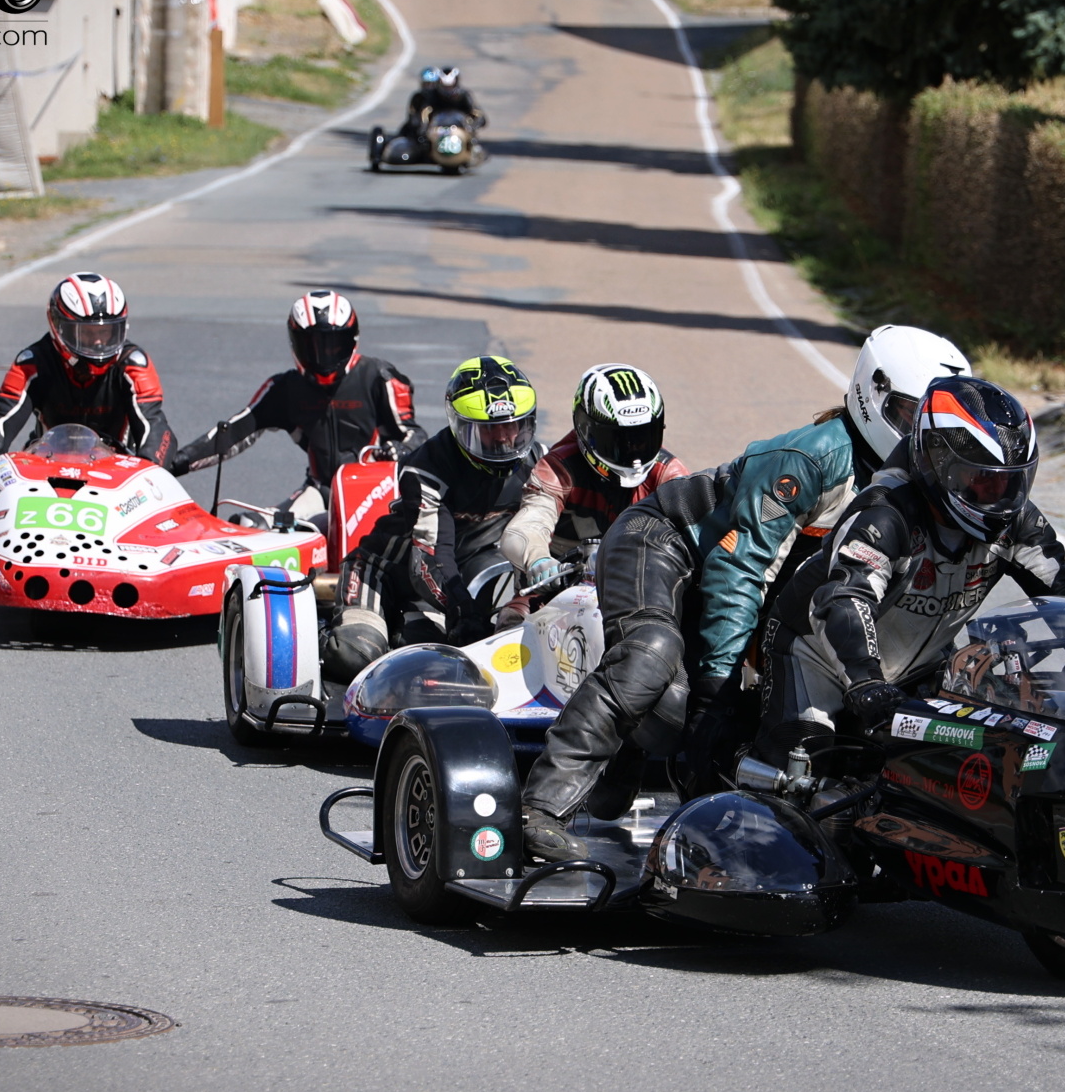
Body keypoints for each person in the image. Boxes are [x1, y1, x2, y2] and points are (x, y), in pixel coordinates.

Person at [518, 326, 969, 859]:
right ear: (874, 395)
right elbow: (739, 567)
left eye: (940, 429)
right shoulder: (813, 459)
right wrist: (716, 690)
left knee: (754, 718)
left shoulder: (928, 488)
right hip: (665, 542)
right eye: (912, 415)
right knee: (655, 657)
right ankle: (540, 807)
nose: (924, 438)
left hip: (754, 585)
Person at [757, 376, 1065, 738]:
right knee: (803, 754)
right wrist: (866, 681)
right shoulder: (885, 513)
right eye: (982, 478)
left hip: (916, 669)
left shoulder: (1016, 520)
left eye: (1009, 481)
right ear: (938, 462)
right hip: (814, 657)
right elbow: (845, 599)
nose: (997, 495)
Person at [322, 355, 540, 682]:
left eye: (511, 426)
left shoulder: (538, 462)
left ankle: (411, 634)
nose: (503, 440)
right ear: (460, 427)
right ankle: (324, 635)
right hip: (383, 574)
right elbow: (429, 557)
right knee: (355, 654)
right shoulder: (426, 468)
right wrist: (463, 611)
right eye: (489, 430)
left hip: (457, 579)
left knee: (444, 664)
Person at [167, 290, 424, 526]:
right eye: (312, 345)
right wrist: (175, 462)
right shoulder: (286, 388)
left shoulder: (380, 378)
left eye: (333, 344)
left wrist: (401, 449)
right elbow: (234, 431)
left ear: (352, 339)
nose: (323, 355)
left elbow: (415, 436)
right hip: (320, 492)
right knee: (249, 524)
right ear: (295, 343)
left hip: (375, 491)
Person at [497, 363, 688, 591]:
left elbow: (698, 535)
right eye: (618, 440)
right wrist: (538, 560)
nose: (633, 449)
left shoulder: (669, 473)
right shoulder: (559, 468)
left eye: (643, 437)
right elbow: (524, 528)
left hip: (638, 588)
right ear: (586, 430)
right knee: (516, 612)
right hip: (558, 588)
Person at [0, 272, 175, 472]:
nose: (98, 342)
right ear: (59, 328)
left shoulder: (134, 364)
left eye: (105, 332)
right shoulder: (32, 362)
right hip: (45, 465)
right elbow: (2, 416)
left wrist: (151, 470)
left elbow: (154, 424)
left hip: (116, 471)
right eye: (86, 333)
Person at [399, 66, 485, 143]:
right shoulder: (432, 96)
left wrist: (471, 127)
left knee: (475, 148)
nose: (448, 91)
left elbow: (479, 115)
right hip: (438, 133)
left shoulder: (464, 95)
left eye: (450, 86)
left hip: (460, 134)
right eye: (445, 86)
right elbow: (424, 113)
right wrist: (424, 129)